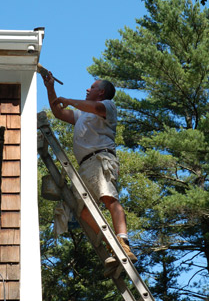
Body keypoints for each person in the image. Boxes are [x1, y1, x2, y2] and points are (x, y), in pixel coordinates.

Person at [39, 67, 137, 268]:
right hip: (84, 167)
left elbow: (92, 107)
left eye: (92, 87)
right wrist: (50, 89)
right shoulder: (81, 114)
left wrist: (70, 100)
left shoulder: (108, 106)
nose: (87, 89)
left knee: (109, 197)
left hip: (100, 159)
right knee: (82, 211)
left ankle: (123, 240)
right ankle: (111, 245)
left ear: (101, 92)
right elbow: (59, 113)